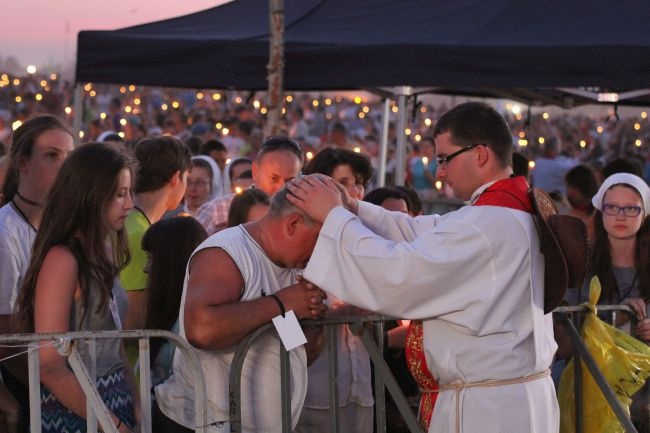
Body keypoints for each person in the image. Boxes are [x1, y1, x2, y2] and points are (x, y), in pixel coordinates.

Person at [287, 102, 559, 433]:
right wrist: (352, 208)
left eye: (445, 158)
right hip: (514, 397)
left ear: (480, 155)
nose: (440, 171)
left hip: (489, 410)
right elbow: (423, 233)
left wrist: (334, 217)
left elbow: (400, 274)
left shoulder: (484, 225)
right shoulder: (506, 213)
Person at [153, 187, 327, 433]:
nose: (321, 253)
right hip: (200, 424)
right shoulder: (227, 251)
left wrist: (313, 317)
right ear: (293, 224)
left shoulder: (289, 267)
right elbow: (202, 330)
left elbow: (299, 352)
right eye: (321, 240)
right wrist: (282, 303)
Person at [13, 143, 140, 432]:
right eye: (120, 194)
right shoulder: (63, 259)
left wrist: (136, 404)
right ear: (90, 196)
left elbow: (115, 341)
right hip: (77, 410)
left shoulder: (105, 251)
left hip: (115, 400)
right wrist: (111, 424)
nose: (130, 205)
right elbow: (50, 365)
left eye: (130, 193)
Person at [0, 114, 74, 430]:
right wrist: (48, 387)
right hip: (29, 383)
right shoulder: (5, 231)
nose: (63, 167)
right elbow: (6, 334)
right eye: (51, 156)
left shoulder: (66, 227)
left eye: (69, 158)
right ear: (23, 163)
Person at [294, 147, 374, 433]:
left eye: (359, 182)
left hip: (359, 387)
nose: (354, 192)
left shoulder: (367, 245)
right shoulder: (297, 249)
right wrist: (333, 315)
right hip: (313, 394)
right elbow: (282, 322)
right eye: (343, 183)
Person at [120, 136, 191, 343]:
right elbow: (133, 324)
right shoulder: (137, 235)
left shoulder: (131, 223)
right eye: (187, 178)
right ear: (176, 178)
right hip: (131, 366)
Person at [142, 216, 208, 386]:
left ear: (170, 263)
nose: (145, 268)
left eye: (150, 258)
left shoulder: (190, 320)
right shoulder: (174, 311)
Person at [196, 136, 303, 234]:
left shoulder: (303, 215)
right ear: (255, 172)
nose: (281, 188)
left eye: (289, 181)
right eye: (274, 179)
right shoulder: (216, 212)